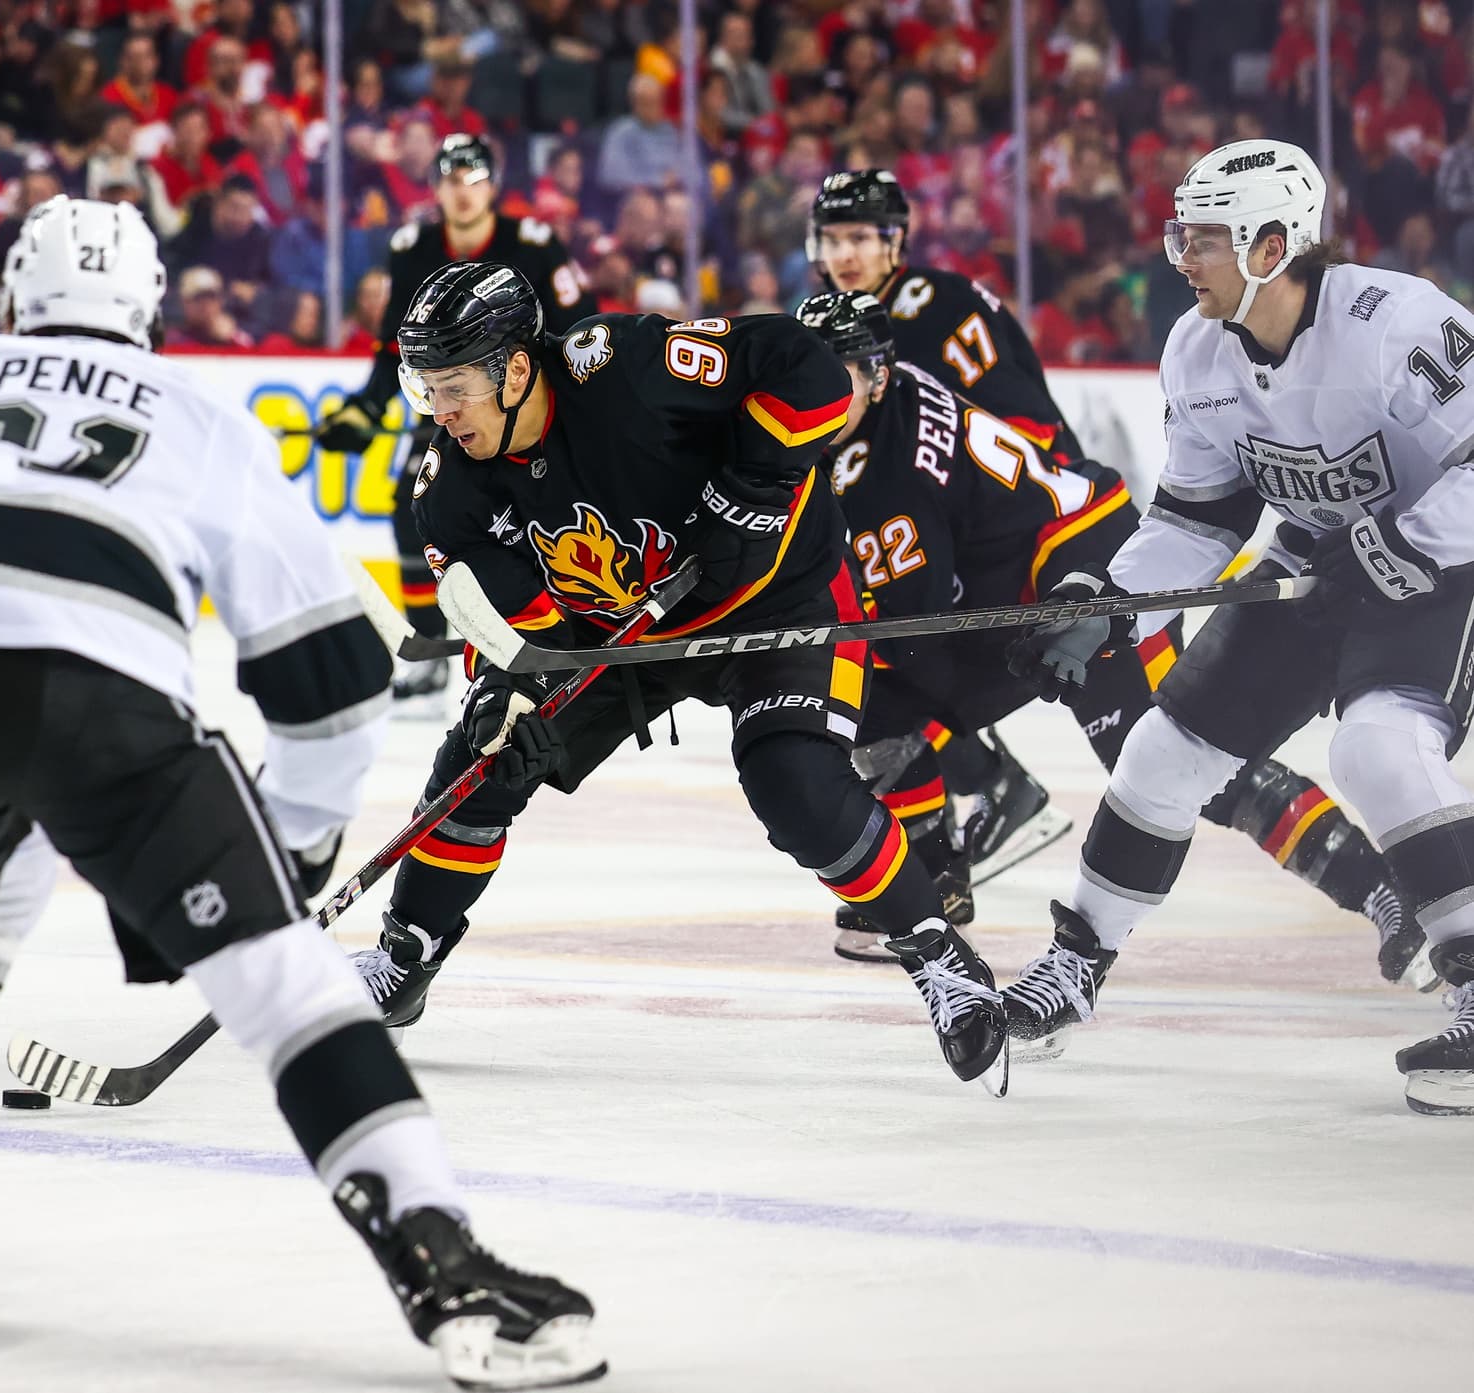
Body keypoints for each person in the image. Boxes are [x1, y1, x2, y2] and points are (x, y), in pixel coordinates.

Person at [0, 197, 606, 1388]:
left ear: (14, 298)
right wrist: (295, 853)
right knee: (283, 975)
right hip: (86, 693)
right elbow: (331, 672)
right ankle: (440, 1260)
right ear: (152, 312)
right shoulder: (196, 413)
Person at [353, 260, 1010, 1090]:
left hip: (780, 596)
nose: (440, 415)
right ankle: (404, 956)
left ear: (515, 369)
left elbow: (803, 366)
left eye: (453, 388)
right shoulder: (451, 492)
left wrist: (759, 482)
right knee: (482, 759)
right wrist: (516, 693)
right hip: (626, 634)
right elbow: (523, 635)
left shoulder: (625, 365)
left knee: (793, 781)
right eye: (425, 391)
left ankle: (938, 956)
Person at [1004, 140, 1474, 1116]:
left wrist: (1403, 538)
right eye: (1181, 233)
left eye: (1202, 237)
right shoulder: (1196, 351)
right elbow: (1195, 519)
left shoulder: (1394, 325)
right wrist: (1107, 599)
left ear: (1272, 242)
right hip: (1315, 561)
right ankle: (1075, 965)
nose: (1180, 255)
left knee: (1379, 749)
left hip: (1444, 569)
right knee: (1162, 751)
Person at [795, 288, 1425, 985]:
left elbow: (912, 638)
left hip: (1086, 576)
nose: (816, 394)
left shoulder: (883, 474)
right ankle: (936, 876)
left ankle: (1384, 885)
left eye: (837, 377)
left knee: (1186, 759)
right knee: (885, 706)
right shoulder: (890, 402)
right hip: (1040, 577)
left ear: (879, 375)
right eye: (807, 375)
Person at [809, 167, 1090, 888]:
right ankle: (985, 797)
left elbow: (1021, 426)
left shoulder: (940, 309)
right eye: (833, 238)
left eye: (862, 237)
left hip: (1020, 521)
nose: (846, 254)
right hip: (948, 520)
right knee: (888, 647)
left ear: (895, 239)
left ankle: (976, 808)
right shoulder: (831, 324)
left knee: (900, 658)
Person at [315, 135, 597, 711]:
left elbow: (580, 333)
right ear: (436, 187)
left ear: (492, 186)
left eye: (473, 180)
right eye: (451, 180)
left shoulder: (536, 244)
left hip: (529, 408)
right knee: (412, 507)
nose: (462, 193)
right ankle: (439, 641)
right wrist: (367, 407)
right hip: (454, 401)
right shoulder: (413, 245)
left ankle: (563, 625)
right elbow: (396, 343)